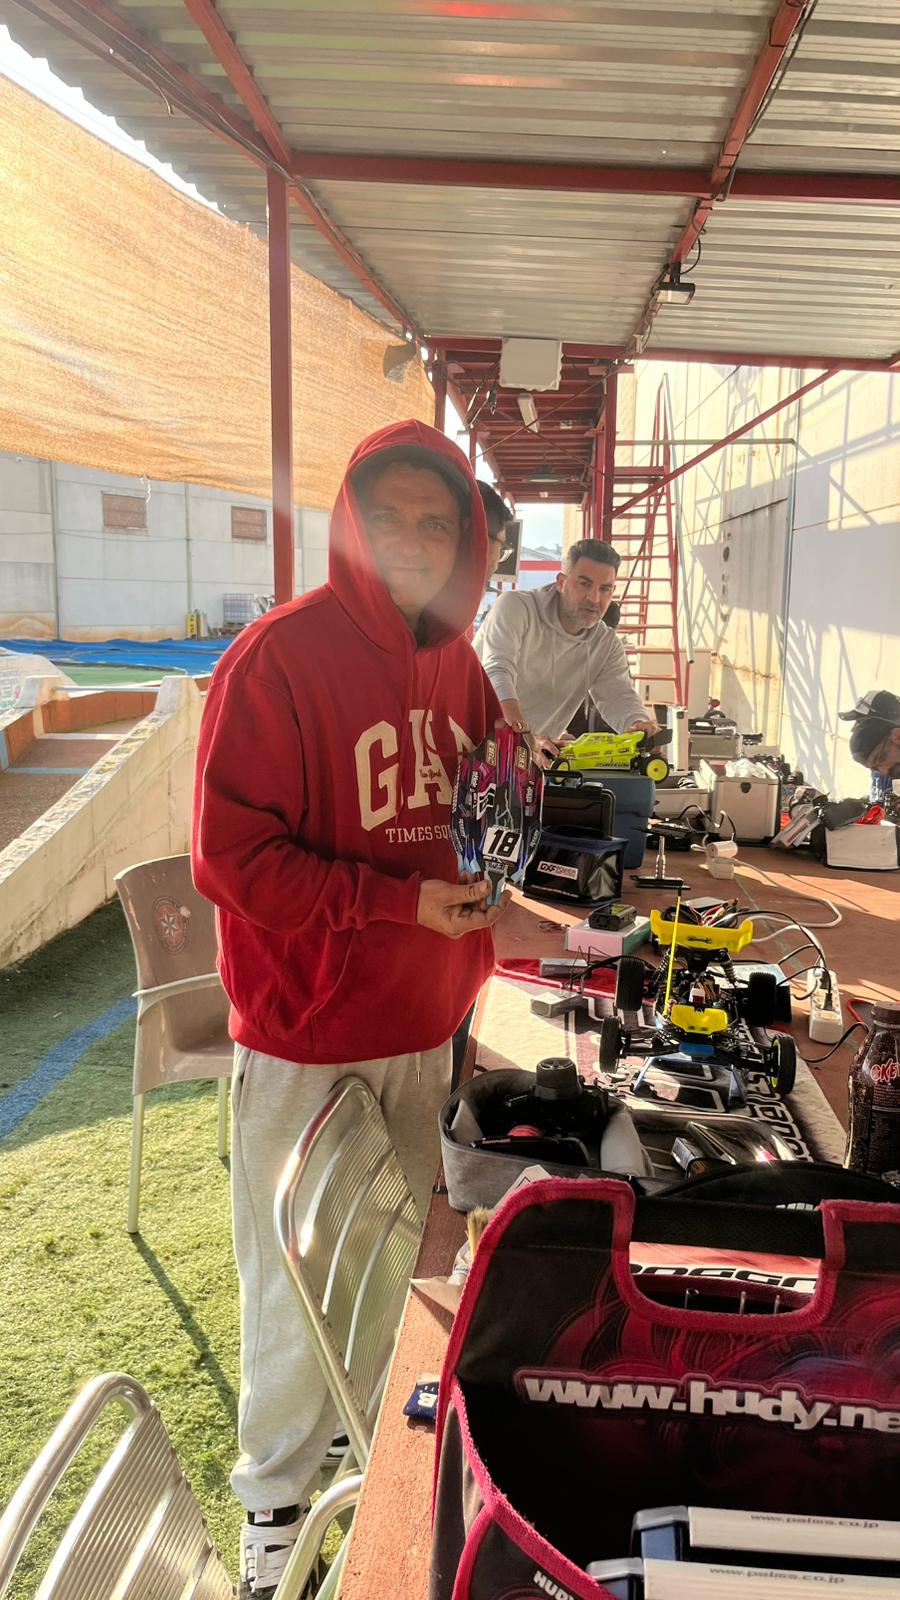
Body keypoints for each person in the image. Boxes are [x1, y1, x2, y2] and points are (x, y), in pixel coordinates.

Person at [192, 420, 505, 1600]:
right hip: (307, 1037)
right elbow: (233, 861)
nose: (414, 540)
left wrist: (506, 838)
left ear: (467, 539)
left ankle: (362, 1469)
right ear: (349, 524)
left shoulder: (460, 665)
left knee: (391, 1270)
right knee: (291, 1282)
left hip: (423, 1024)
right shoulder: (277, 658)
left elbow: (485, 794)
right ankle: (275, 1512)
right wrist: (395, 902)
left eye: (438, 521)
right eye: (389, 517)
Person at [473, 537, 656, 765]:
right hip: (467, 745)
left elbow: (619, 697)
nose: (594, 598)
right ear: (561, 582)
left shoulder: (606, 644)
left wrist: (639, 725)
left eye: (605, 589)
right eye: (584, 584)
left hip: (527, 760)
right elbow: (497, 672)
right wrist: (522, 735)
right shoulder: (515, 607)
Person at [840, 689, 900, 802]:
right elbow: (878, 802)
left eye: (861, 721)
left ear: (897, 736)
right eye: (875, 768)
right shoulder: (884, 769)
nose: (883, 771)